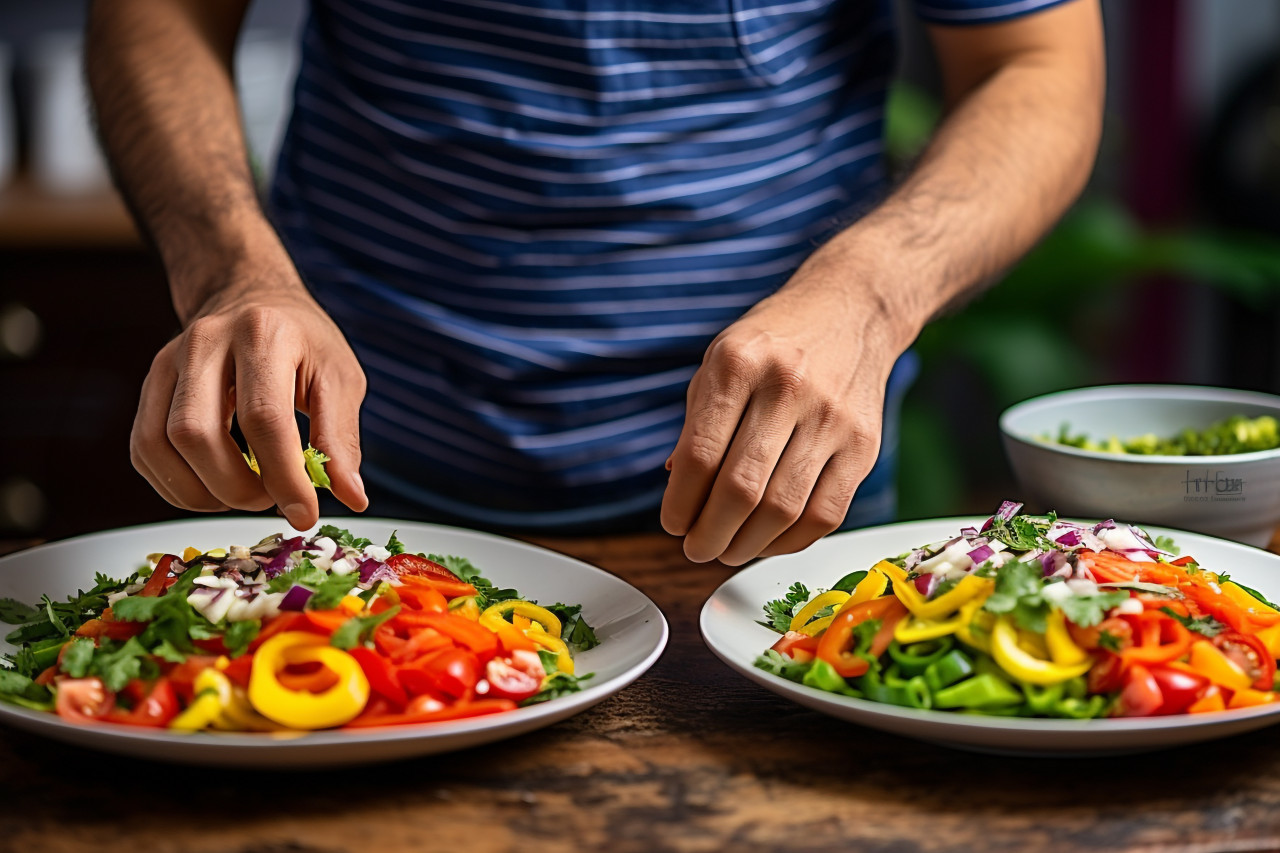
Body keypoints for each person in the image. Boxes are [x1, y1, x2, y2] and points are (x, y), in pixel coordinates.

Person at [86, 0, 1103, 565]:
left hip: (781, 499)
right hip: (347, 481)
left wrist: (870, 293)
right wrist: (231, 274)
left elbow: (1037, 65)